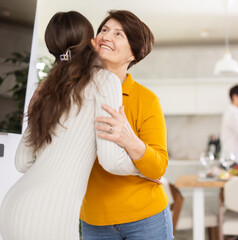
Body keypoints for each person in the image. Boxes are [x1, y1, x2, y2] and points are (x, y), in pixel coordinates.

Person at [0, 11, 143, 240]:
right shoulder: (105, 81)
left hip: (11, 208)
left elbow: (22, 161)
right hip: (49, 216)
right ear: (91, 43)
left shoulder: (46, 89)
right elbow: (110, 160)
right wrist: (143, 170)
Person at [80, 10, 173, 240]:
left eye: (118, 34)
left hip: (146, 218)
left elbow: (158, 167)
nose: (106, 36)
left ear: (133, 54)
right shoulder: (77, 92)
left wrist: (129, 139)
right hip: (95, 221)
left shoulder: (147, 100)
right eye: (103, 30)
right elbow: (61, 56)